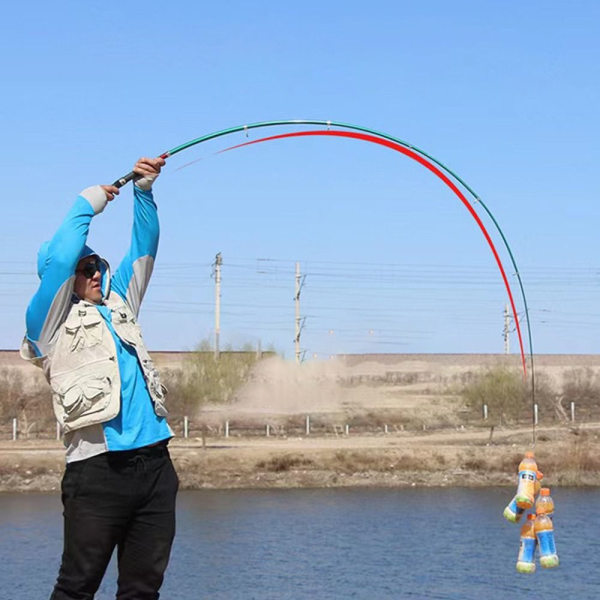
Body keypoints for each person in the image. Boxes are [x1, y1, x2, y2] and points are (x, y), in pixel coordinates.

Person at [20, 157, 178, 600]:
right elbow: (65, 253)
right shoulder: (45, 323)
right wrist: (88, 201)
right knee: (77, 587)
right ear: (62, 276)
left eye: (96, 266)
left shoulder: (120, 301)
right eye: (83, 268)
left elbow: (145, 246)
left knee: (143, 589)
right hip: (96, 472)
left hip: (156, 467)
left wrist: (143, 192)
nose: (93, 272)